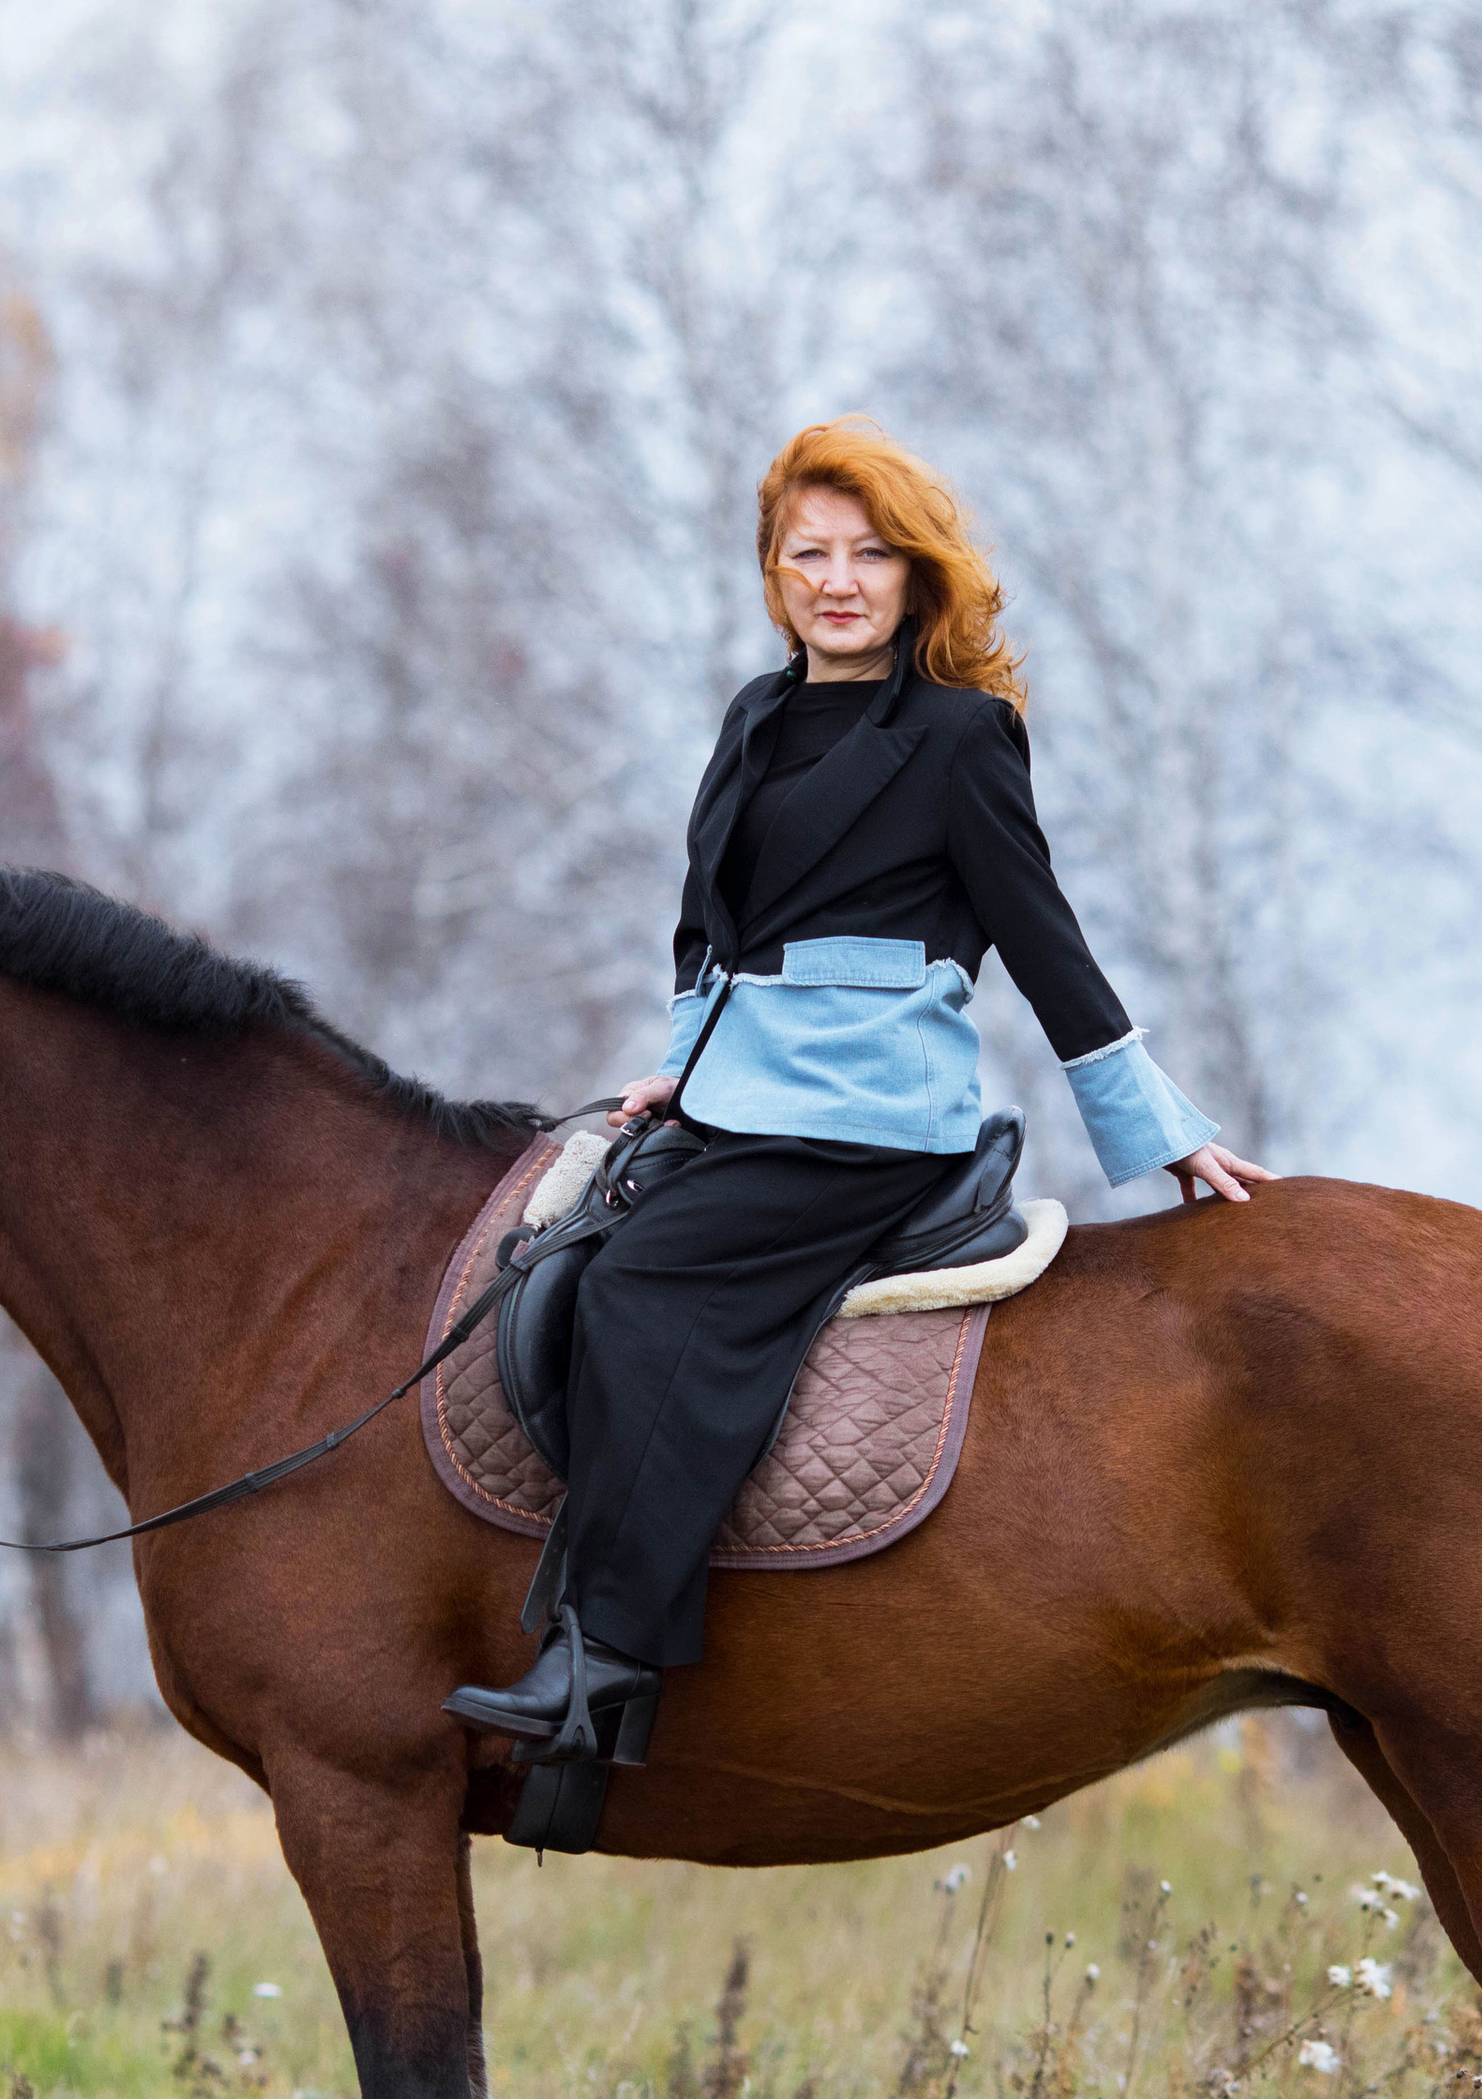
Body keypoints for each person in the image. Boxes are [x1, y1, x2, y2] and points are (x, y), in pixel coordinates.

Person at [444, 419, 1270, 1762]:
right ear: (774, 574)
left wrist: (1157, 1132)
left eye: (869, 555)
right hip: (738, 1094)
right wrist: (684, 1063)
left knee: (644, 1285)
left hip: (872, 1115)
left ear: (914, 574)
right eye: (808, 555)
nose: (838, 581)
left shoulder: (962, 738)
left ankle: (605, 1662)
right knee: (570, 1253)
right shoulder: (753, 717)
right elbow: (707, 926)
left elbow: (1045, 940)